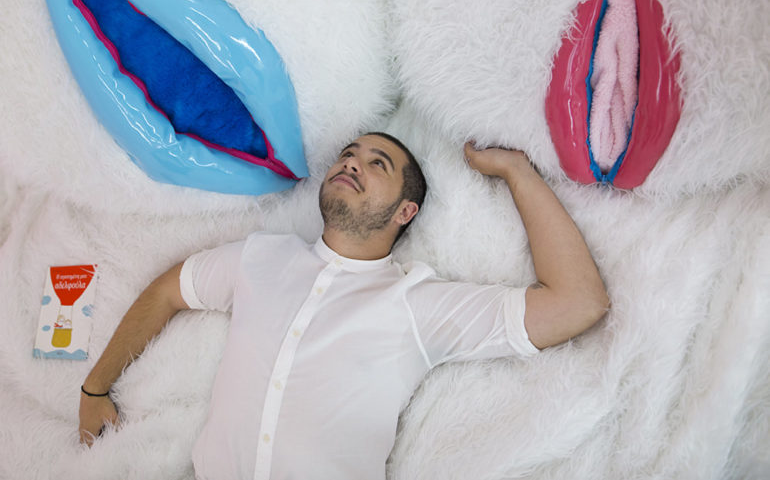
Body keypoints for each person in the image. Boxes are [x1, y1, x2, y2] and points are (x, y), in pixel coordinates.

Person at [78, 132, 609, 479]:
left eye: (378, 163)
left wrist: (516, 171)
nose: (352, 162)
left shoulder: (415, 303)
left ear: (405, 211)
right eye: (348, 154)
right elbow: (167, 291)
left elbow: (578, 302)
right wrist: (95, 387)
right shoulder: (260, 257)